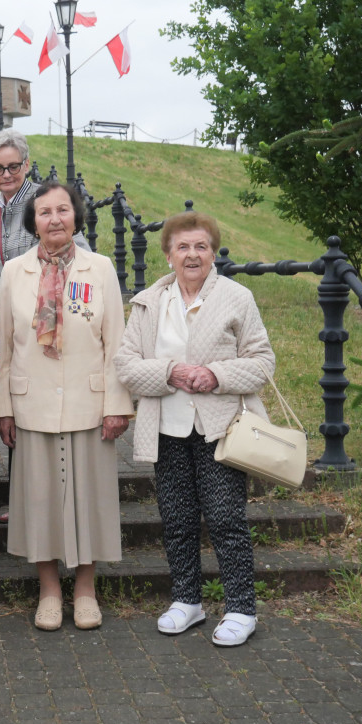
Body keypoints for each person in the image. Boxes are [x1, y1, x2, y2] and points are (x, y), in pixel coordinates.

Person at [114, 210, 275, 648]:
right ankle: (187, 601)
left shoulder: (236, 298)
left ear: (213, 252)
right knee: (178, 520)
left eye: (200, 246)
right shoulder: (149, 302)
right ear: (168, 254)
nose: (191, 255)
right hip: (166, 428)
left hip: (219, 428)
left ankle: (241, 608)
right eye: (182, 247)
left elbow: (262, 362)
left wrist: (215, 375)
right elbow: (127, 365)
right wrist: (170, 372)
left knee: (225, 519)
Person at [0, 181, 132, 631]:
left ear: (76, 216)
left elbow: (116, 343)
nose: (54, 219)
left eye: (63, 210)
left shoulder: (100, 268)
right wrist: (2, 407)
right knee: (40, 499)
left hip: (90, 401)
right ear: (32, 222)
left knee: (91, 498)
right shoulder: (14, 271)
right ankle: (49, 591)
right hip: (32, 404)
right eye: (44, 212)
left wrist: (118, 405)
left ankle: (85, 590)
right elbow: (3, 343)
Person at [0, 129, 88, 308]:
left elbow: (82, 253)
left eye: (13, 167)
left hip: (45, 306)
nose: (6, 175)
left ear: (26, 165)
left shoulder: (45, 199)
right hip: (3, 311)